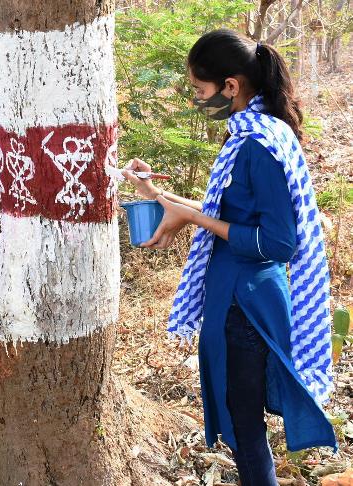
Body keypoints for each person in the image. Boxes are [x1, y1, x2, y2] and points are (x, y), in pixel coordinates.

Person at [123, 29, 336, 486]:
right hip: (232, 296)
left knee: (244, 426)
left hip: (249, 305)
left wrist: (192, 219)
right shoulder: (246, 134)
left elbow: (279, 243)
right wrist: (156, 194)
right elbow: (227, 211)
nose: (198, 101)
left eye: (201, 92)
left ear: (231, 86)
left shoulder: (259, 145)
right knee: (239, 420)